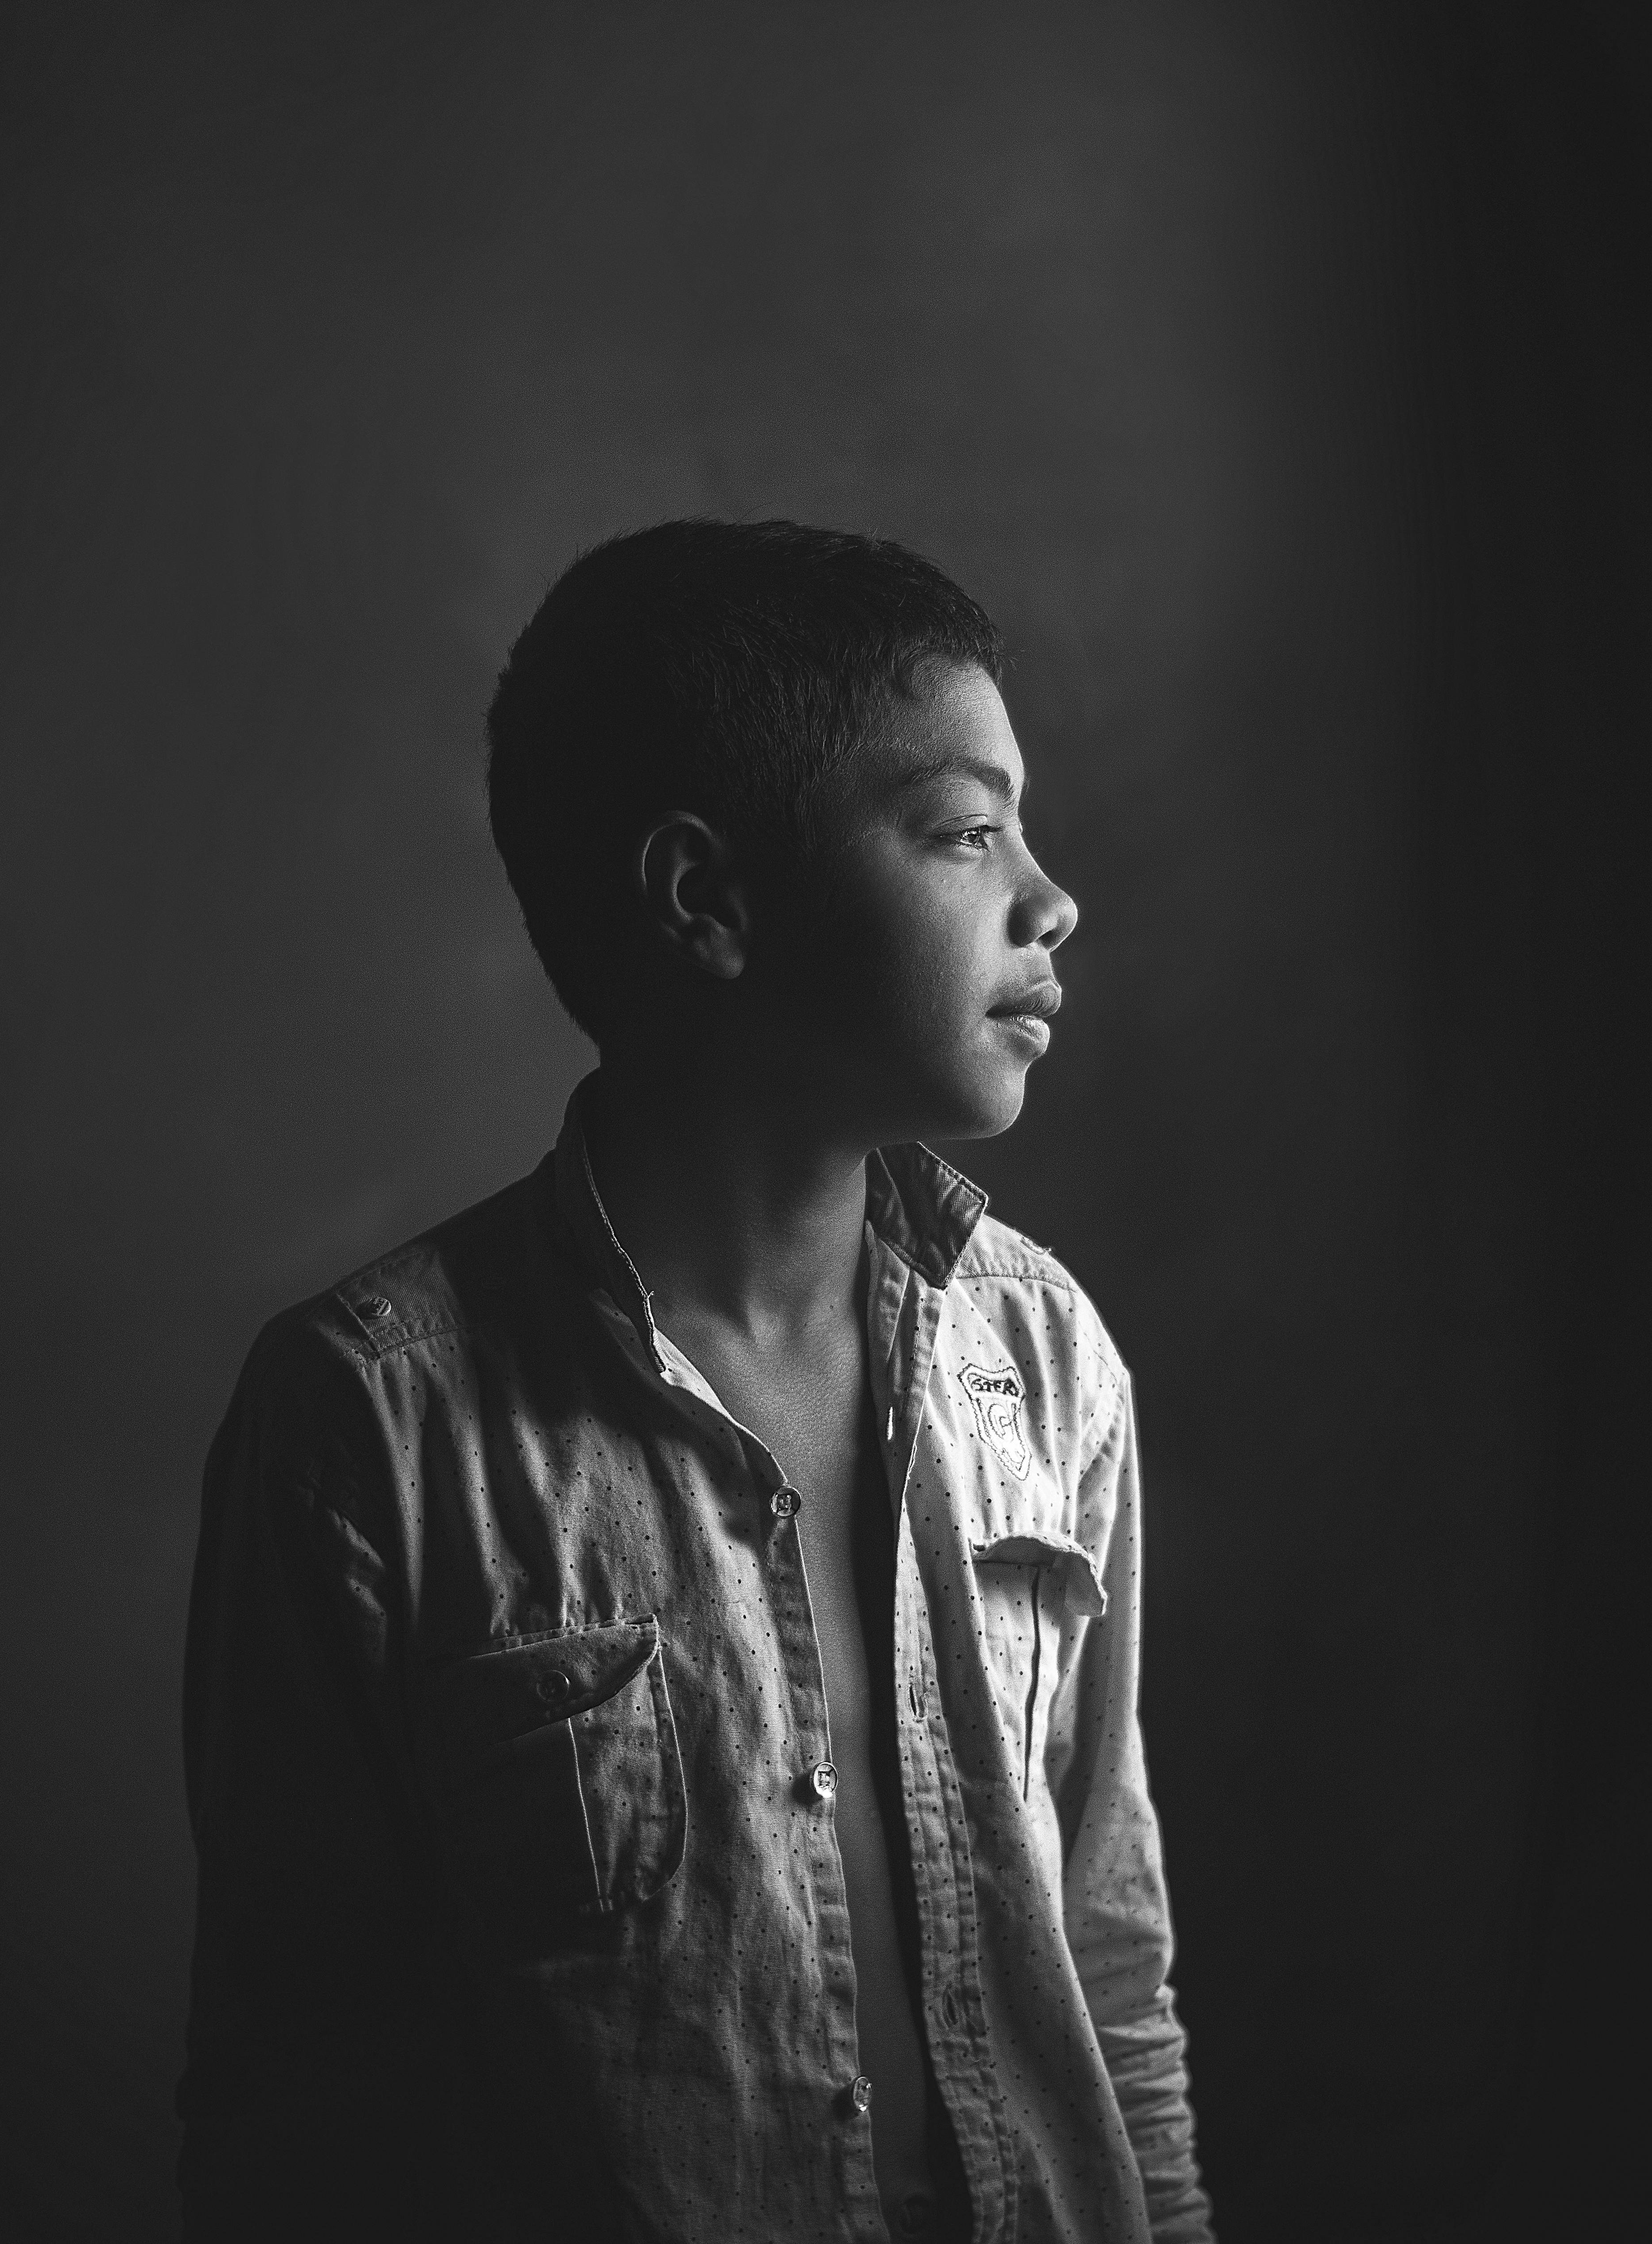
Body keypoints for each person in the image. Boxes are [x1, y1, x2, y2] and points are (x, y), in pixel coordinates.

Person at [176, 518, 1214, 2243]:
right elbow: (303, 2102)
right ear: (702, 899)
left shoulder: (1045, 1362)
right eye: (967, 831)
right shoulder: (368, 1424)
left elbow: (1110, 1974)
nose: (1052, 898)